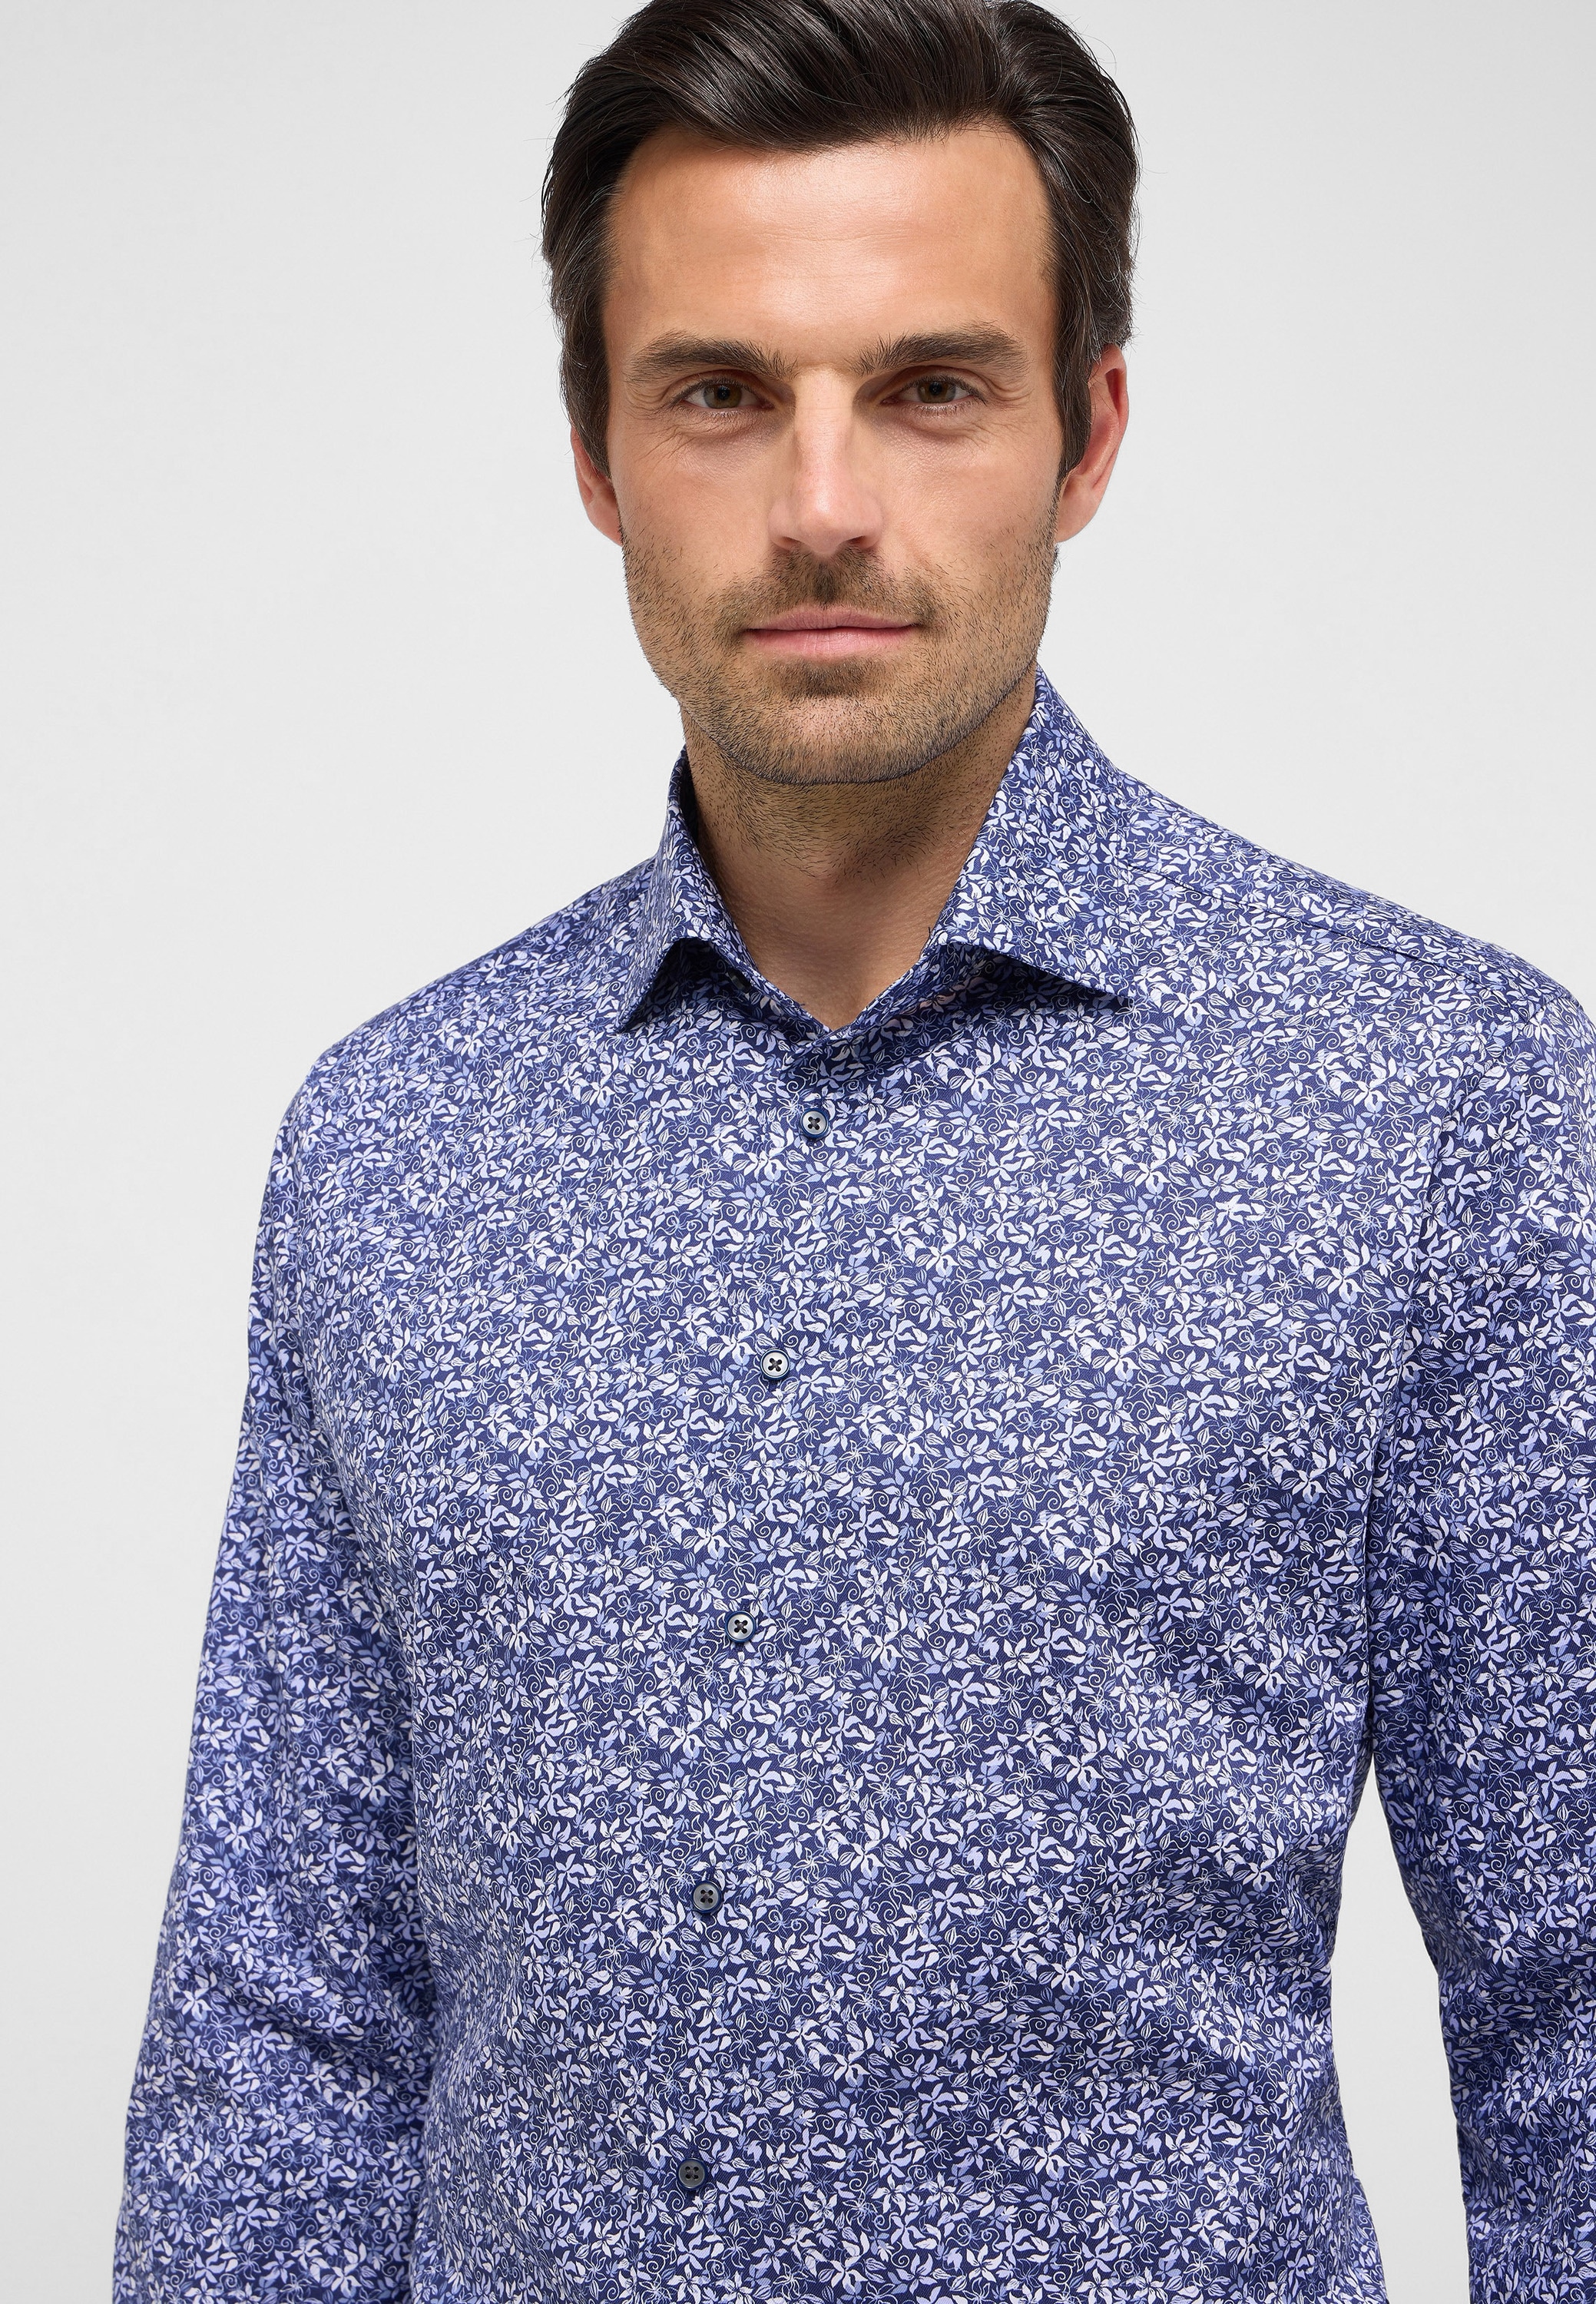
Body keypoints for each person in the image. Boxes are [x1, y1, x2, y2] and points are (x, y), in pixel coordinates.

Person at [114, 1, 1596, 2297]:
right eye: (719, 393)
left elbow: (1573, 2014)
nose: (822, 503)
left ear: (1088, 431)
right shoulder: (393, 1144)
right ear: (597, 454)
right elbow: (281, 2036)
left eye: (931, 387)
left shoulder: (1434, 1102)